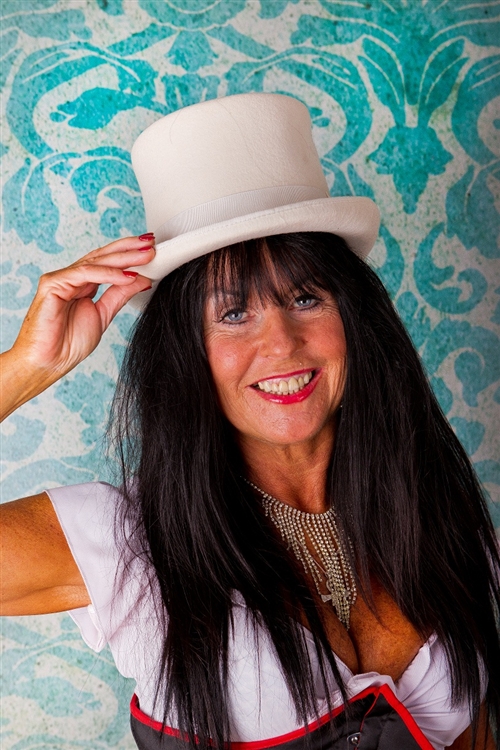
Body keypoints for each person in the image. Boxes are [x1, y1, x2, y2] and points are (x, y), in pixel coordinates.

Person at [0, 94, 498, 750]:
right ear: (186, 354)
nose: (283, 343)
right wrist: (25, 368)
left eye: (305, 297)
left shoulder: (439, 514)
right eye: (233, 313)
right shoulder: (126, 544)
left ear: (354, 318)